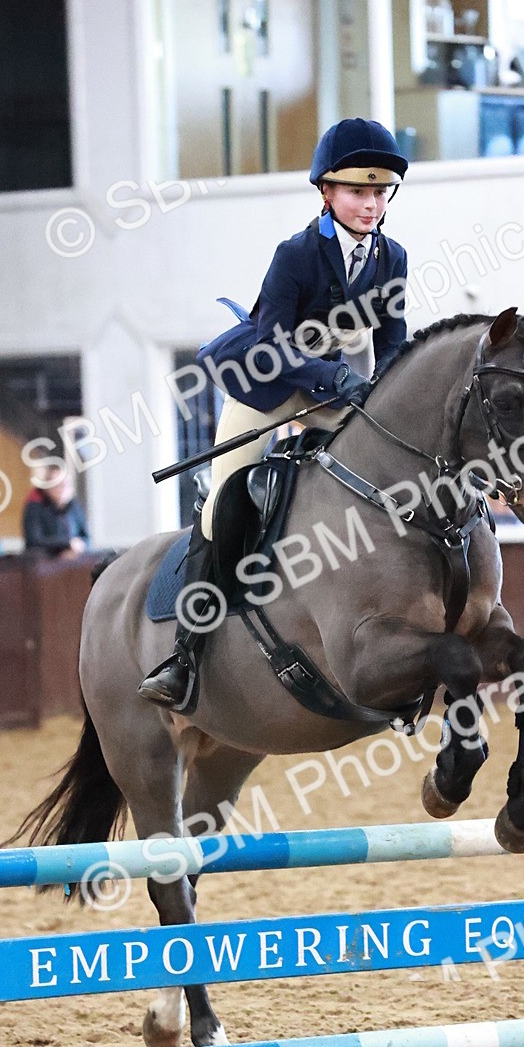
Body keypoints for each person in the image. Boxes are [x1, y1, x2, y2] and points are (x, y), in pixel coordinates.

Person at [139, 117, 409, 712]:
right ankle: (184, 656)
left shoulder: (393, 256)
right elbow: (271, 343)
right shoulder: (295, 254)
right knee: (224, 498)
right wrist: (333, 378)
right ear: (327, 193)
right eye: (359, 191)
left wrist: (383, 386)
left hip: (340, 391)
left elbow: (393, 336)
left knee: (382, 476)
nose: (371, 203)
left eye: (381, 192)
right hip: (272, 386)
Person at [23, 466, 89, 558]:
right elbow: (34, 540)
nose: (62, 488)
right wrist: (67, 543)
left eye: (65, 484)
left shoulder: (74, 506)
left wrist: (78, 548)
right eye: (57, 484)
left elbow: (86, 537)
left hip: (74, 560)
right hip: (44, 562)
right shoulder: (35, 506)